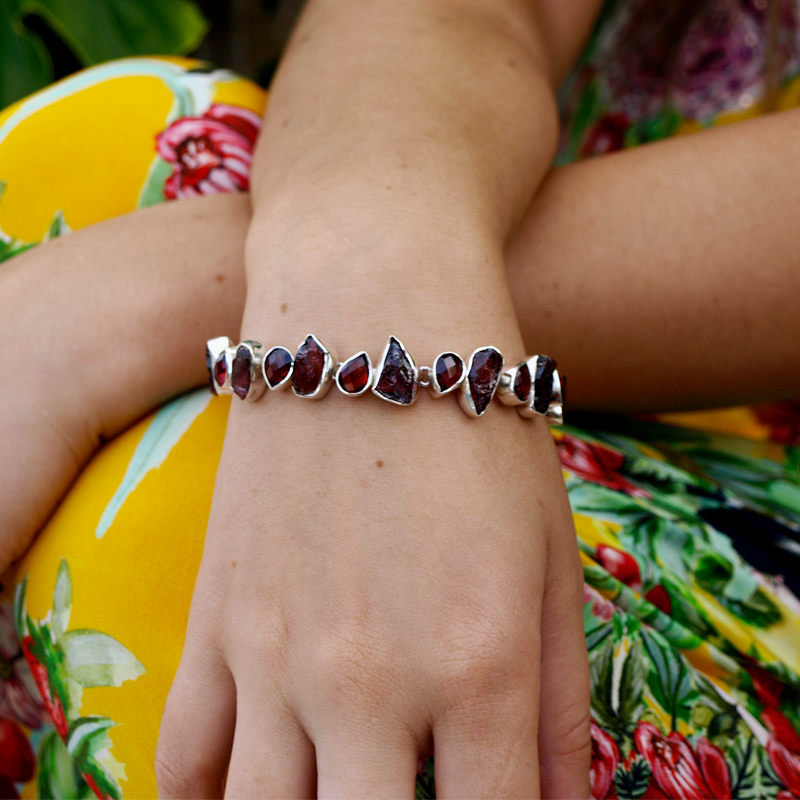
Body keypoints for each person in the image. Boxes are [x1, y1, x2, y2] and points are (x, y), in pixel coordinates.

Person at [1, 0, 800, 797]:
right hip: (500, 267)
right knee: (121, 139)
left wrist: (147, 301)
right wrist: (368, 248)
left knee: (158, 524)